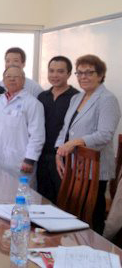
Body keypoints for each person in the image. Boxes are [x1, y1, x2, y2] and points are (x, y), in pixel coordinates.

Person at [56, 54, 121, 234]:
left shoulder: (107, 99)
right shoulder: (76, 98)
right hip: (75, 165)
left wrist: (75, 143)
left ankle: (97, 252)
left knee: (91, 217)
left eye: (89, 73)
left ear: (100, 75)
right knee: (74, 214)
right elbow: (66, 129)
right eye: (80, 73)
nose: (83, 77)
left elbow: (105, 134)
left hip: (95, 168)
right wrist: (59, 152)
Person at [0, 66, 45, 182]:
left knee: (20, 196)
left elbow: (37, 135)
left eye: (16, 77)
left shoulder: (33, 103)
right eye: (8, 77)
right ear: (3, 81)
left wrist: (30, 159)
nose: (12, 79)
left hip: (20, 161)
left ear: (24, 80)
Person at [36, 56, 78, 203]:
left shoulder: (76, 97)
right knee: (43, 197)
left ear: (69, 74)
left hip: (65, 157)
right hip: (42, 156)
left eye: (60, 71)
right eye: (51, 71)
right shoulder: (42, 97)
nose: (55, 75)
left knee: (65, 199)